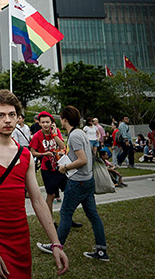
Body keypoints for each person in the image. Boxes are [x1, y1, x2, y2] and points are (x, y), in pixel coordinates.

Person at [0, 90, 68, 278]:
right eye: (1, 115)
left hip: (21, 235)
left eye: (12, 115)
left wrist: (55, 242)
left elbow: (37, 199)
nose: (7, 120)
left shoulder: (25, 154)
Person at [38, 105, 109, 262]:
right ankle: (102, 250)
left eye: (61, 118)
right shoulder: (80, 133)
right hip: (87, 181)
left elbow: (82, 160)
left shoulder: (75, 136)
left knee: (65, 214)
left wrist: (65, 167)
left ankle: (56, 246)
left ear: (65, 119)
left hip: (78, 182)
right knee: (93, 215)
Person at [28, 111, 76, 225]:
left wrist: (54, 135)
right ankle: (50, 220)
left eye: (47, 122)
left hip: (60, 167)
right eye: (43, 122)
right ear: (39, 123)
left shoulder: (56, 132)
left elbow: (63, 146)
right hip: (47, 169)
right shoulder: (37, 136)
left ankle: (68, 218)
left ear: (52, 123)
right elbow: (32, 152)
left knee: (69, 192)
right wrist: (44, 154)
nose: (45, 124)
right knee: (51, 195)